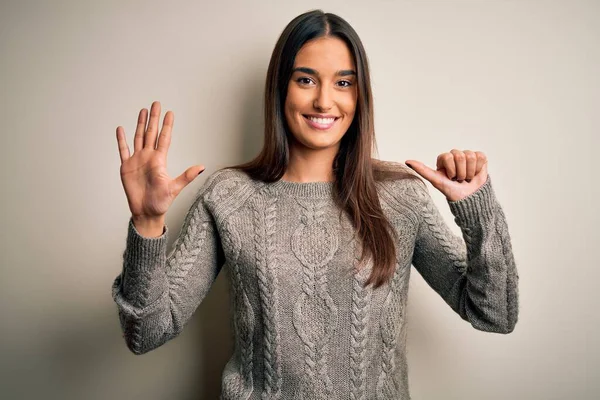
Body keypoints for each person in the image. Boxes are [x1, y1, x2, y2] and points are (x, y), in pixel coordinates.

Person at [112, 9, 519, 400]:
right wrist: (147, 223)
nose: (325, 101)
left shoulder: (400, 195)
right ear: (280, 88)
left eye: (344, 83)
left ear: (360, 96)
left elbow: (494, 314)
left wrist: (476, 211)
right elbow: (146, 332)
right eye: (306, 80)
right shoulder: (229, 195)